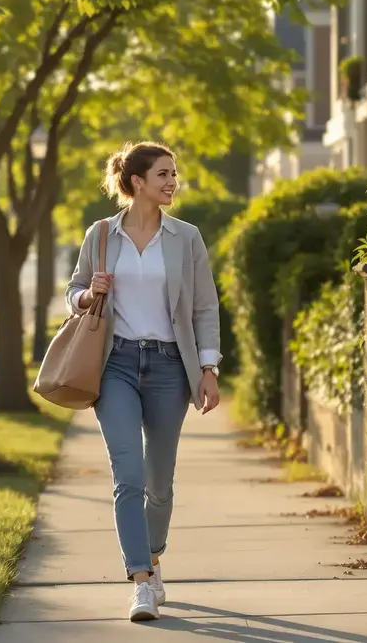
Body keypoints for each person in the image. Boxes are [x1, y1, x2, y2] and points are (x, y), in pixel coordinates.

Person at [64, 141, 223, 622]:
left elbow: (204, 306)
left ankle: (153, 559)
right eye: (163, 174)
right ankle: (140, 582)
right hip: (115, 363)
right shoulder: (101, 234)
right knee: (128, 475)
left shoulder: (186, 237)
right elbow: (74, 290)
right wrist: (87, 295)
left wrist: (208, 369)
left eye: (174, 174)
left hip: (170, 366)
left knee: (159, 483)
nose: (173, 182)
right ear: (137, 182)